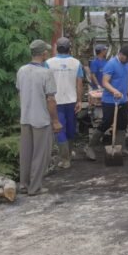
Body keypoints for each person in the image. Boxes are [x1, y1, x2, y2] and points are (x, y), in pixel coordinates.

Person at [16, 40, 61, 196]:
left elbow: (20, 93)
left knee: (26, 153)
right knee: (40, 155)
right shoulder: (46, 73)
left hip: (25, 118)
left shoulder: (21, 70)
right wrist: (55, 121)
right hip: (41, 119)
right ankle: (35, 187)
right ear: (43, 54)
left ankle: (24, 185)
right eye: (46, 51)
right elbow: (51, 100)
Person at [85, 45, 128, 160]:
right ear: (121, 54)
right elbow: (105, 82)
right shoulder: (111, 64)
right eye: (127, 57)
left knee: (123, 124)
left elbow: (126, 81)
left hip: (123, 99)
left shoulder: (127, 64)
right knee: (106, 123)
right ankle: (90, 147)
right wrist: (114, 91)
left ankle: (121, 148)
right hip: (110, 100)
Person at [45, 37, 83, 169]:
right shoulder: (76, 63)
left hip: (55, 101)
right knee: (71, 128)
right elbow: (79, 83)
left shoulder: (48, 63)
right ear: (69, 48)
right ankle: (68, 154)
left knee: (59, 128)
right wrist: (79, 100)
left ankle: (65, 159)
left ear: (57, 47)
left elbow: (45, 83)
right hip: (71, 100)